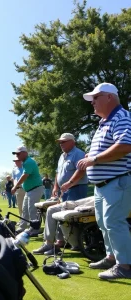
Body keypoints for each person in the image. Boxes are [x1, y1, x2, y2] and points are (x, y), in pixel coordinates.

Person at [77, 83, 131, 280]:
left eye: (96, 98)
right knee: (103, 223)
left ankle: (125, 265)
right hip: (103, 186)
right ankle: (111, 258)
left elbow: (125, 145)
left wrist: (95, 159)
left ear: (109, 97)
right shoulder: (104, 122)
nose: (92, 102)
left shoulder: (121, 117)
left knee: (114, 222)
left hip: (117, 181)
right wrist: (92, 154)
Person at [33, 133, 88, 255]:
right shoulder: (62, 156)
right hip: (64, 190)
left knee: (65, 215)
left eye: (63, 142)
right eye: (60, 142)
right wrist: (56, 186)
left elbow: (81, 171)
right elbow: (58, 173)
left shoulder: (78, 154)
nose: (61, 144)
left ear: (72, 142)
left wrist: (70, 183)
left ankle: (63, 242)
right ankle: (59, 241)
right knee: (58, 214)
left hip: (77, 189)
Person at [11, 146, 43, 236]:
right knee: (25, 210)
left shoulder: (28, 162)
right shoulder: (26, 162)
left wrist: (15, 186)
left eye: (18, 153)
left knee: (32, 210)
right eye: (16, 154)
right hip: (29, 190)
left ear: (25, 153)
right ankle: (22, 227)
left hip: (35, 188)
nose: (17, 156)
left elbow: (25, 175)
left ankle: (34, 229)